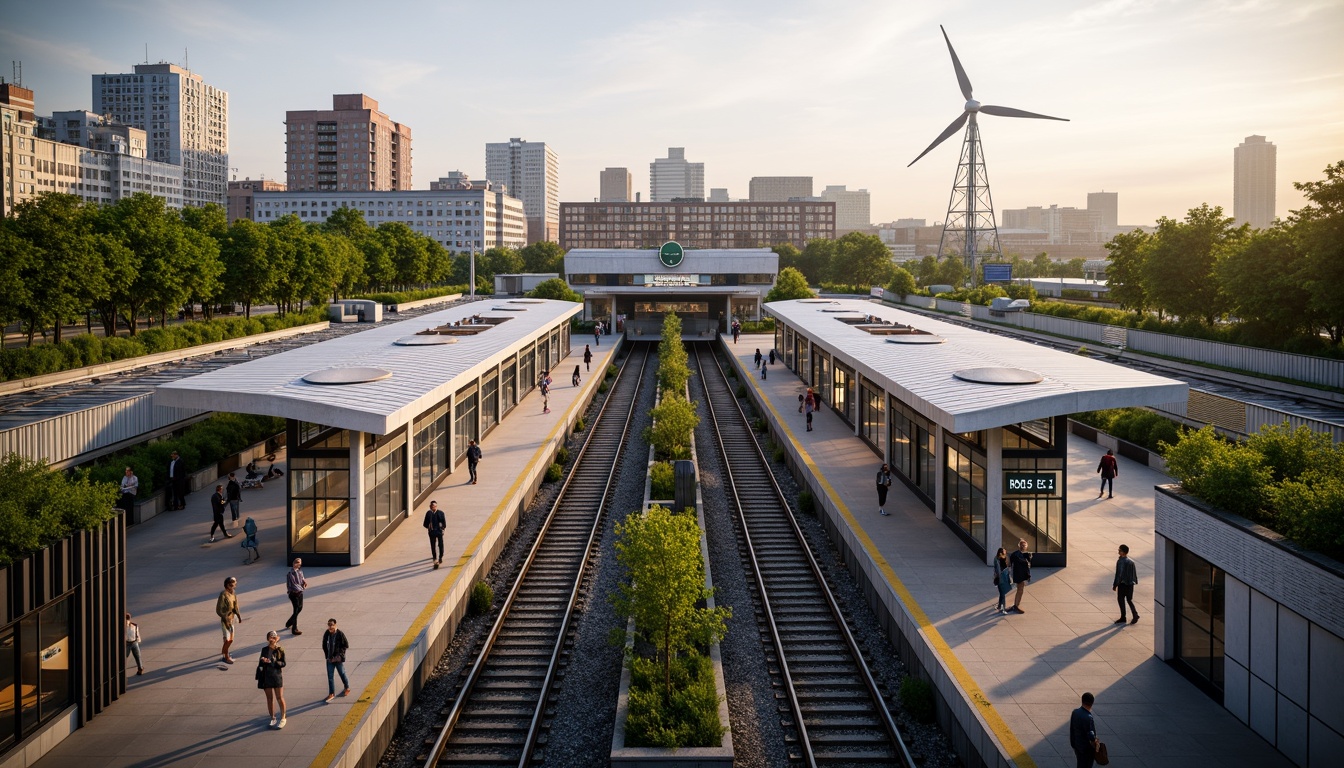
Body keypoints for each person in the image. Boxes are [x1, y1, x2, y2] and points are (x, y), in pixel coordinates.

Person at [257, 630, 287, 729]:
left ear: (276, 639)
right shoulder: (264, 649)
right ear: (267, 638)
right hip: (266, 676)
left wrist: (274, 662)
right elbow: (260, 663)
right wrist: (263, 661)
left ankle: (283, 717)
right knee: (269, 699)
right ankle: (272, 717)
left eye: (274, 638)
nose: (272, 639)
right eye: (270, 637)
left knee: (280, 697)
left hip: (276, 676)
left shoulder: (280, 650)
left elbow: (283, 663)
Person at [322, 618, 351, 703]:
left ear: (335, 625)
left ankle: (347, 687)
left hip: (337, 659)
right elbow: (324, 645)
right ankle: (331, 693)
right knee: (330, 677)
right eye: (329, 625)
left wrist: (340, 654)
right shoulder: (327, 634)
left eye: (332, 624)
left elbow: (346, 645)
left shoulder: (340, 634)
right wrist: (327, 655)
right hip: (329, 659)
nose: (330, 627)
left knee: (342, 673)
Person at [216, 576, 242, 664]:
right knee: (228, 639)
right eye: (232, 585)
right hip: (226, 620)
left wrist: (238, 616)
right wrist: (225, 617)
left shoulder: (233, 593)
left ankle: (225, 652)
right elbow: (219, 609)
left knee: (231, 639)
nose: (234, 586)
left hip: (232, 618)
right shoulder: (223, 595)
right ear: (227, 585)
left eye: (234, 584)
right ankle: (225, 655)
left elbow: (235, 605)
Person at [1069, 692, 1099, 768]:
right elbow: (1091, 735)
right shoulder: (1088, 717)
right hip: (1086, 749)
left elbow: (1072, 729)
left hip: (1078, 746)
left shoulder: (1075, 712)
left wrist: (1073, 743)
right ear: (1092, 703)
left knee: (1080, 764)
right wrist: (1095, 743)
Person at [1113, 544, 1139, 624]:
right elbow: (1134, 574)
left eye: (1119, 550)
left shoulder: (1121, 562)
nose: (1118, 552)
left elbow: (1119, 574)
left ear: (1123, 552)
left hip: (1123, 584)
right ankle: (1135, 614)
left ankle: (1123, 617)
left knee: (1121, 600)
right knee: (1129, 600)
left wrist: (1115, 584)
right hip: (1130, 584)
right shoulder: (1131, 562)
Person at [284, 558, 307, 635]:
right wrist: (300, 588)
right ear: (293, 563)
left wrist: (304, 582)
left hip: (300, 592)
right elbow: (293, 584)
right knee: (296, 610)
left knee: (300, 608)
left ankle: (289, 622)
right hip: (294, 594)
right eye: (297, 562)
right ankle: (294, 629)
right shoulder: (291, 573)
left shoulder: (300, 571)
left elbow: (302, 578)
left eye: (300, 563)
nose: (298, 564)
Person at [1009, 539, 1032, 613]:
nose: (1023, 547)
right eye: (1022, 545)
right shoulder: (1017, 555)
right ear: (1019, 546)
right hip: (1019, 575)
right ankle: (1016, 605)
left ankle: (1016, 605)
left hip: (1022, 575)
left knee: (1020, 590)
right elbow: (1013, 564)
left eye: (1024, 545)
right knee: (1020, 590)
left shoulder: (1024, 555)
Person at [423, 500, 446, 568]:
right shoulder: (428, 514)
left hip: (439, 531)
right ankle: (434, 557)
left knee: (440, 544)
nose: (432, 507)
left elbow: (444, 523)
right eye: (431, 506)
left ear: (436, 506)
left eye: (434, 506)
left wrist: (442, 528)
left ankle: (440, 557)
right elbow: (425, 523)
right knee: (433, 545)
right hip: (432, 532)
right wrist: (429, 527)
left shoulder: (441, 513)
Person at [993, 547, 1012, 614]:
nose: (1005, 554)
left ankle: (1001, 607)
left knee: (1002, 593)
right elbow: (999, 570)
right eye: (1004, 552)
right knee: (1002, 593)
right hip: (1002, 578)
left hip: (1001, 578)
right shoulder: (1001, 560)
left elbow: (998, 570)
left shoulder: (998, 559)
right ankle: (1001, 607)